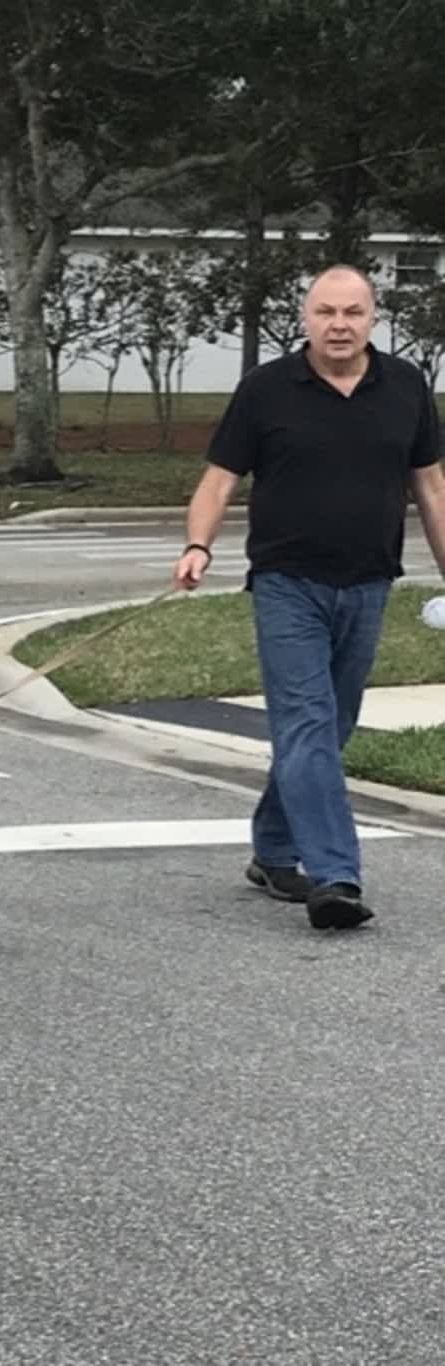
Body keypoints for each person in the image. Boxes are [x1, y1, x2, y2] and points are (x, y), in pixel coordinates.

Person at [173, 264, 445, 930]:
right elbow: (218, 482)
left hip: (369, 583)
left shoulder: (406, 387)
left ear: (374, 318)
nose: (340, 325)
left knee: (328, 726)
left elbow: (432, 487)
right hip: (286, 583)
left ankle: (272, 848)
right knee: (306, 722)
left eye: (353, 312)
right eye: (326, 312)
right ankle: (335, 875)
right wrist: (198, 545)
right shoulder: (266, 391)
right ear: (306, 318)